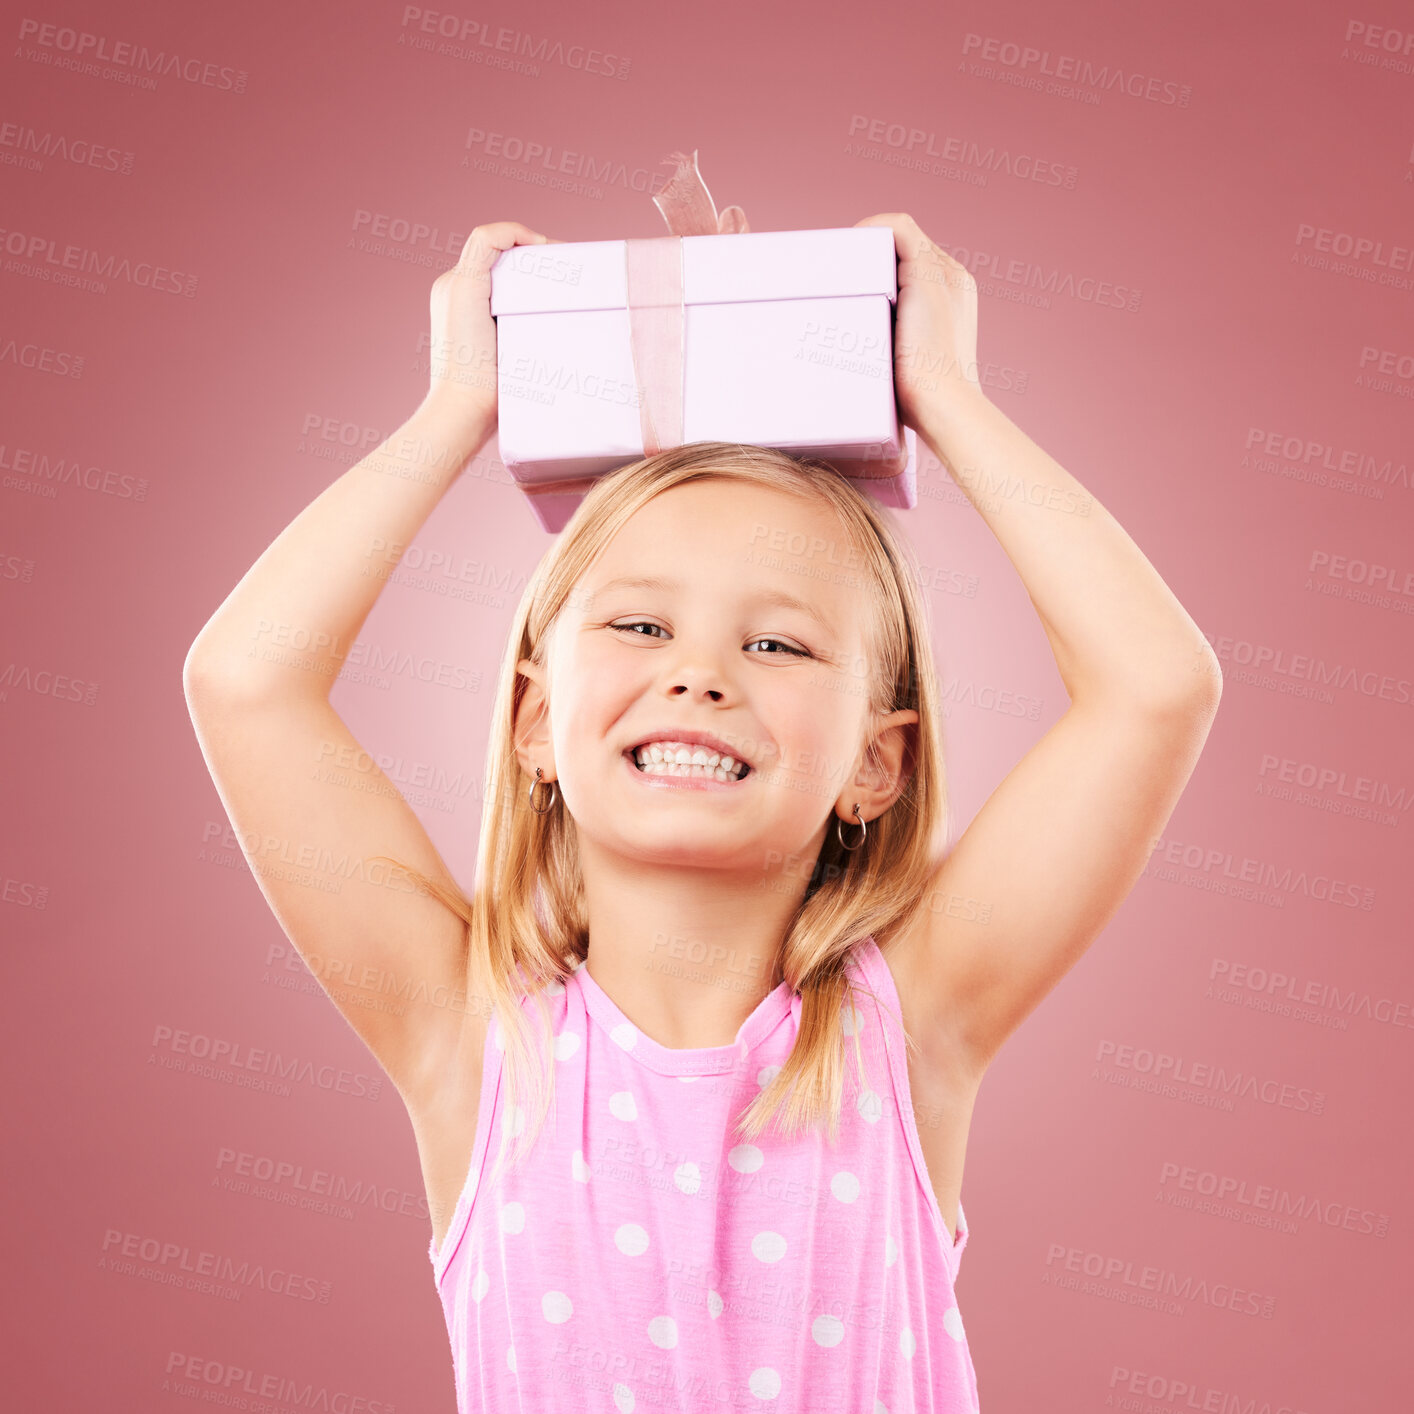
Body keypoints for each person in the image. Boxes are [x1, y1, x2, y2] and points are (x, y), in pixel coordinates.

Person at [183, 215, 1222, 1412]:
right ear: (533, 722)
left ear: (874, 765)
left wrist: (944, 394)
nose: (700, 675)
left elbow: (1154, 687)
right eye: (637, 625)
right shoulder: (473, 1040)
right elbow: (245, 681)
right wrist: (459, 406)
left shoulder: (909, 1022)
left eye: (776, 641)